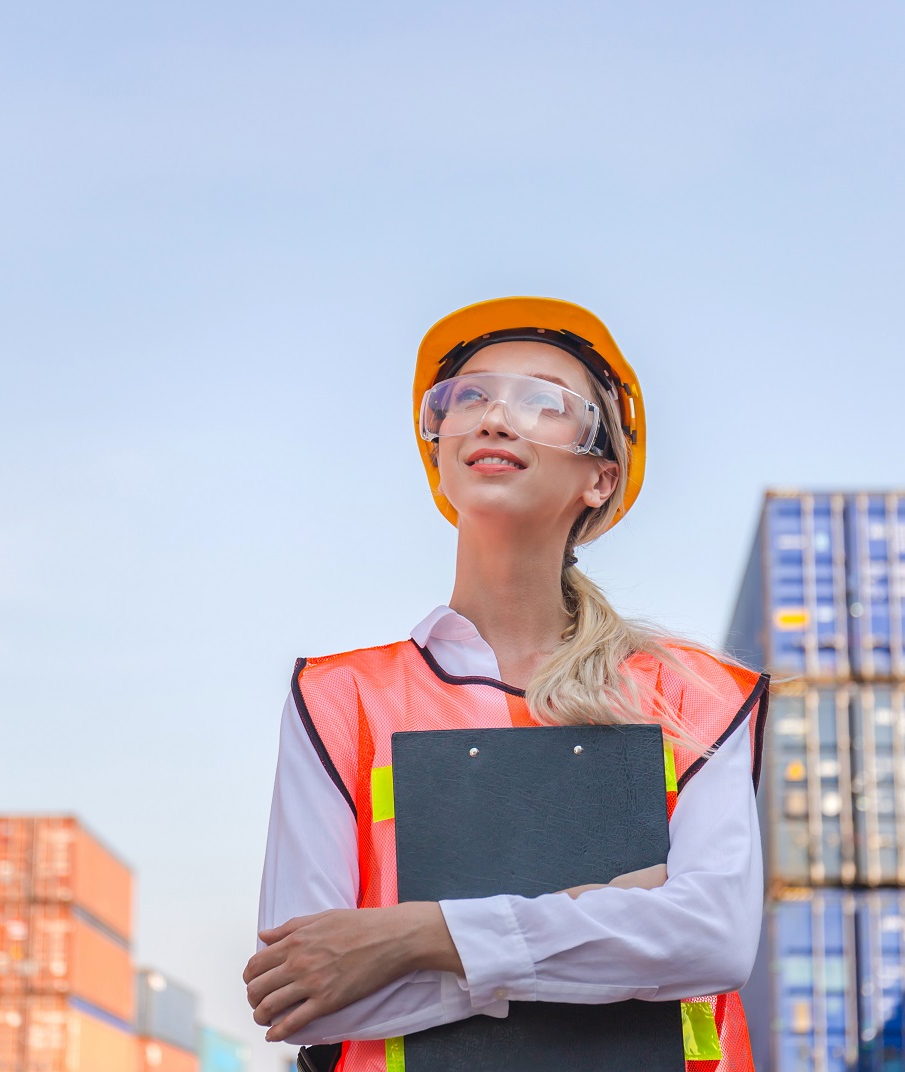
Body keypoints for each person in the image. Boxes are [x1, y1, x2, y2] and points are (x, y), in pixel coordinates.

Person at [243, 297, 769, 1072]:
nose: (493, 418)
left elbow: (715, 938)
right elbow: (308, 991)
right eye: (467, 397)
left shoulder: (696, 696)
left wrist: (417, 938)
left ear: (600, 476)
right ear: (440, 452)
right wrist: (592, 921)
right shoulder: (340, 699)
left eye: (542, 402)